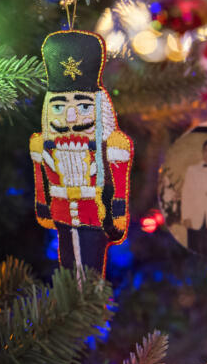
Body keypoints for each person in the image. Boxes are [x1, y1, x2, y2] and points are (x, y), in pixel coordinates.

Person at [30, 30, 133, 277]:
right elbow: (41, 179)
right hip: (62, 214)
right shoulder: (44, 146)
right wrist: (42, 207)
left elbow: (118, 184)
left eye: (83, 106)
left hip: (94, 216)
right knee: (67, 263)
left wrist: (118, 213)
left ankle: (87, 303)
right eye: (59, 107)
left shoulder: (109, 145)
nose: (71, 117)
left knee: (90, 266)